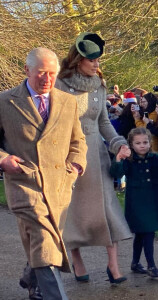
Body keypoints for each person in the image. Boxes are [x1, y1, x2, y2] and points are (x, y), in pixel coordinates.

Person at [0, 47, 87, 300]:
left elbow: (78, 141)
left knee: (46, 240)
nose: (47, 79)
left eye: (51, 73)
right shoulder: (5, 101)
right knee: (43, 238)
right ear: (27, 70)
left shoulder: (67, 101)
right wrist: (4, 160)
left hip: (60, 184)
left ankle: (32, 274)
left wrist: (77, 164)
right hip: (24, 183)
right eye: (41, 73)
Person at [56, 32, 132, 285]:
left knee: (107, 211)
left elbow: (103, 123)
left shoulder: (100, 85)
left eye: (99, 60)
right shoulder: (59, 85)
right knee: (73, 212)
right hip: (69, 156)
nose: (97, 64)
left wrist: (119, 143)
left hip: (97, 157)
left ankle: (113, 265)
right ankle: (76, 260)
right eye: (92, 60)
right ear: (78, 60)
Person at [110, 127, 158, 278]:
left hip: (153, 201)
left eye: (145, 142)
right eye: (138, 143)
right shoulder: (129, 160)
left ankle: (136, 263)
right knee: (144, 233)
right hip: (136, 202)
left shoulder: (155, 158)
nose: (142, 145)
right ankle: (151, 265)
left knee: (145, 233)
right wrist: (118, 159)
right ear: (131, 144)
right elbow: (116, 173)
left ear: (150, 143)